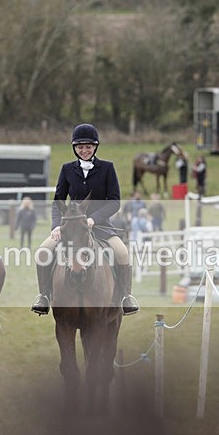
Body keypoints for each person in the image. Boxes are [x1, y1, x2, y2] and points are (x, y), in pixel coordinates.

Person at [31, 123, 139, 316]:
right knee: (43, 251)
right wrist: (56, 226)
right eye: (80, 147)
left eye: (88, 146)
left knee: (122, 253)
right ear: (75, 148)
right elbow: (57, 202)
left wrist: (93, 219)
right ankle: (44, 296)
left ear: (95, 147)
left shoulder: (107, 168)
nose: (84, 150)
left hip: (101, 226)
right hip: (71, 227)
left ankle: (125, 297)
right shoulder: (67, 169)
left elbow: (114, 202)